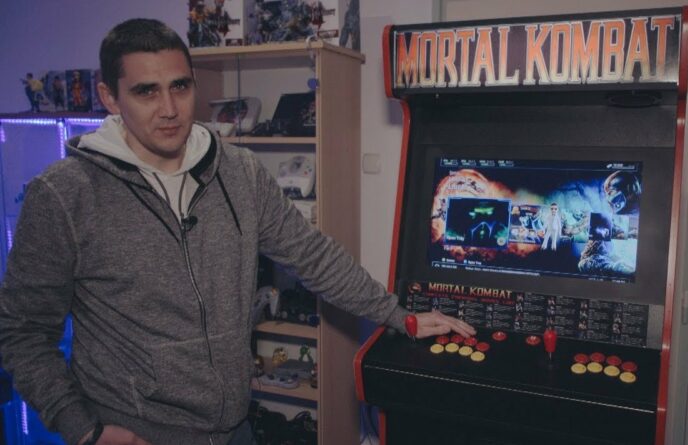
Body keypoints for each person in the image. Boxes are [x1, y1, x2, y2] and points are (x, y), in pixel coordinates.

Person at [0, 18, 474, 445]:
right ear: (110, 97)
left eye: (180, 86)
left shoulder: (239, 171)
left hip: (235, 428)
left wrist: (398, 315)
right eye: (146, 92)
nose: (169, 108)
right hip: (135, 432)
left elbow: (312, 255)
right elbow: (22, 331)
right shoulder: (64, 194)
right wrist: (84, 430)